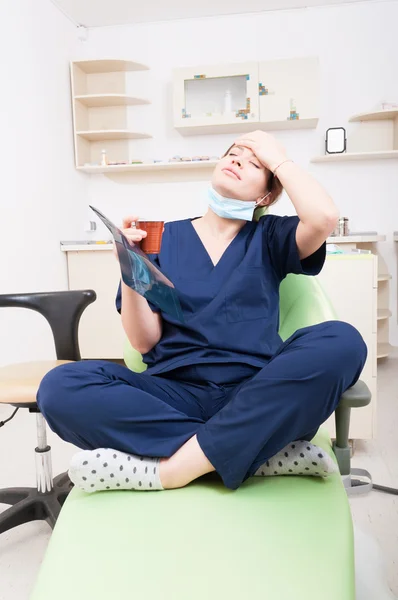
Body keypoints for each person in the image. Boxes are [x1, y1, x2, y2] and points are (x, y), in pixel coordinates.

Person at [37, 131, 367, 493]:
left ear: (266, 195)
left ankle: (173, 469)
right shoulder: (161, 237)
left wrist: (279, 159)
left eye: (255, 162)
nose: (238, 159)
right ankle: (257, 451)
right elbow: (144, 341)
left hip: (257, 391)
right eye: (233, 153)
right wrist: (130, 268)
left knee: (343, 340)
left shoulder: (271, 236)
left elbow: (323, 217)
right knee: (59, 387)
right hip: (174, 394)